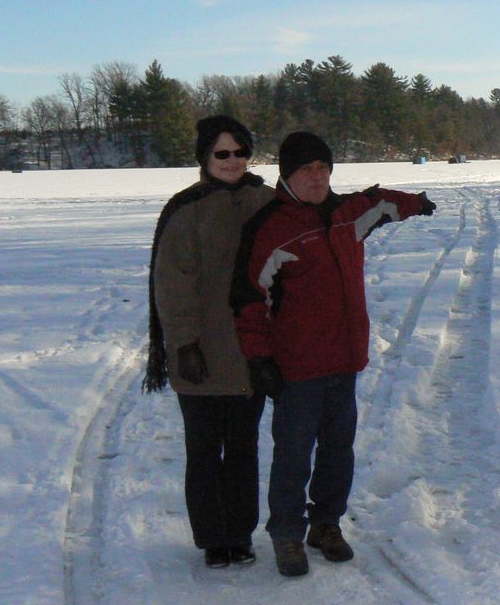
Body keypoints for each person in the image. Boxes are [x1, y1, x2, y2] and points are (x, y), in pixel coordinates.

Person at [230, 131, 436, 577]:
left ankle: (325, 525)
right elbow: (249, 299)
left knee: (338, 451)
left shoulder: (345, 214)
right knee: (293, 454)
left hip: (345, 360)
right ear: (287, 174)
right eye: (307, 170)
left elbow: (379, 201)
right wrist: (259, 357)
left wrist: (416, 203)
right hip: (298, 368)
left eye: (323, 169)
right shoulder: (270, 228)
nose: (317, 177)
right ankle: (286, 534)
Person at [143, 115, 275, 569]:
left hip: (251, 354)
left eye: (240, 152)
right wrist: (183, 345)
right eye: (223, 153)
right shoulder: (186, 210)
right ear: (205, 157)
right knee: (203, 452)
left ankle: (240, 534)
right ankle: (213, 539)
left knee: (243, 450)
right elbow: (172, 284)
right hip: (199, 354)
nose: (233, 161)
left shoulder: (268, 201)